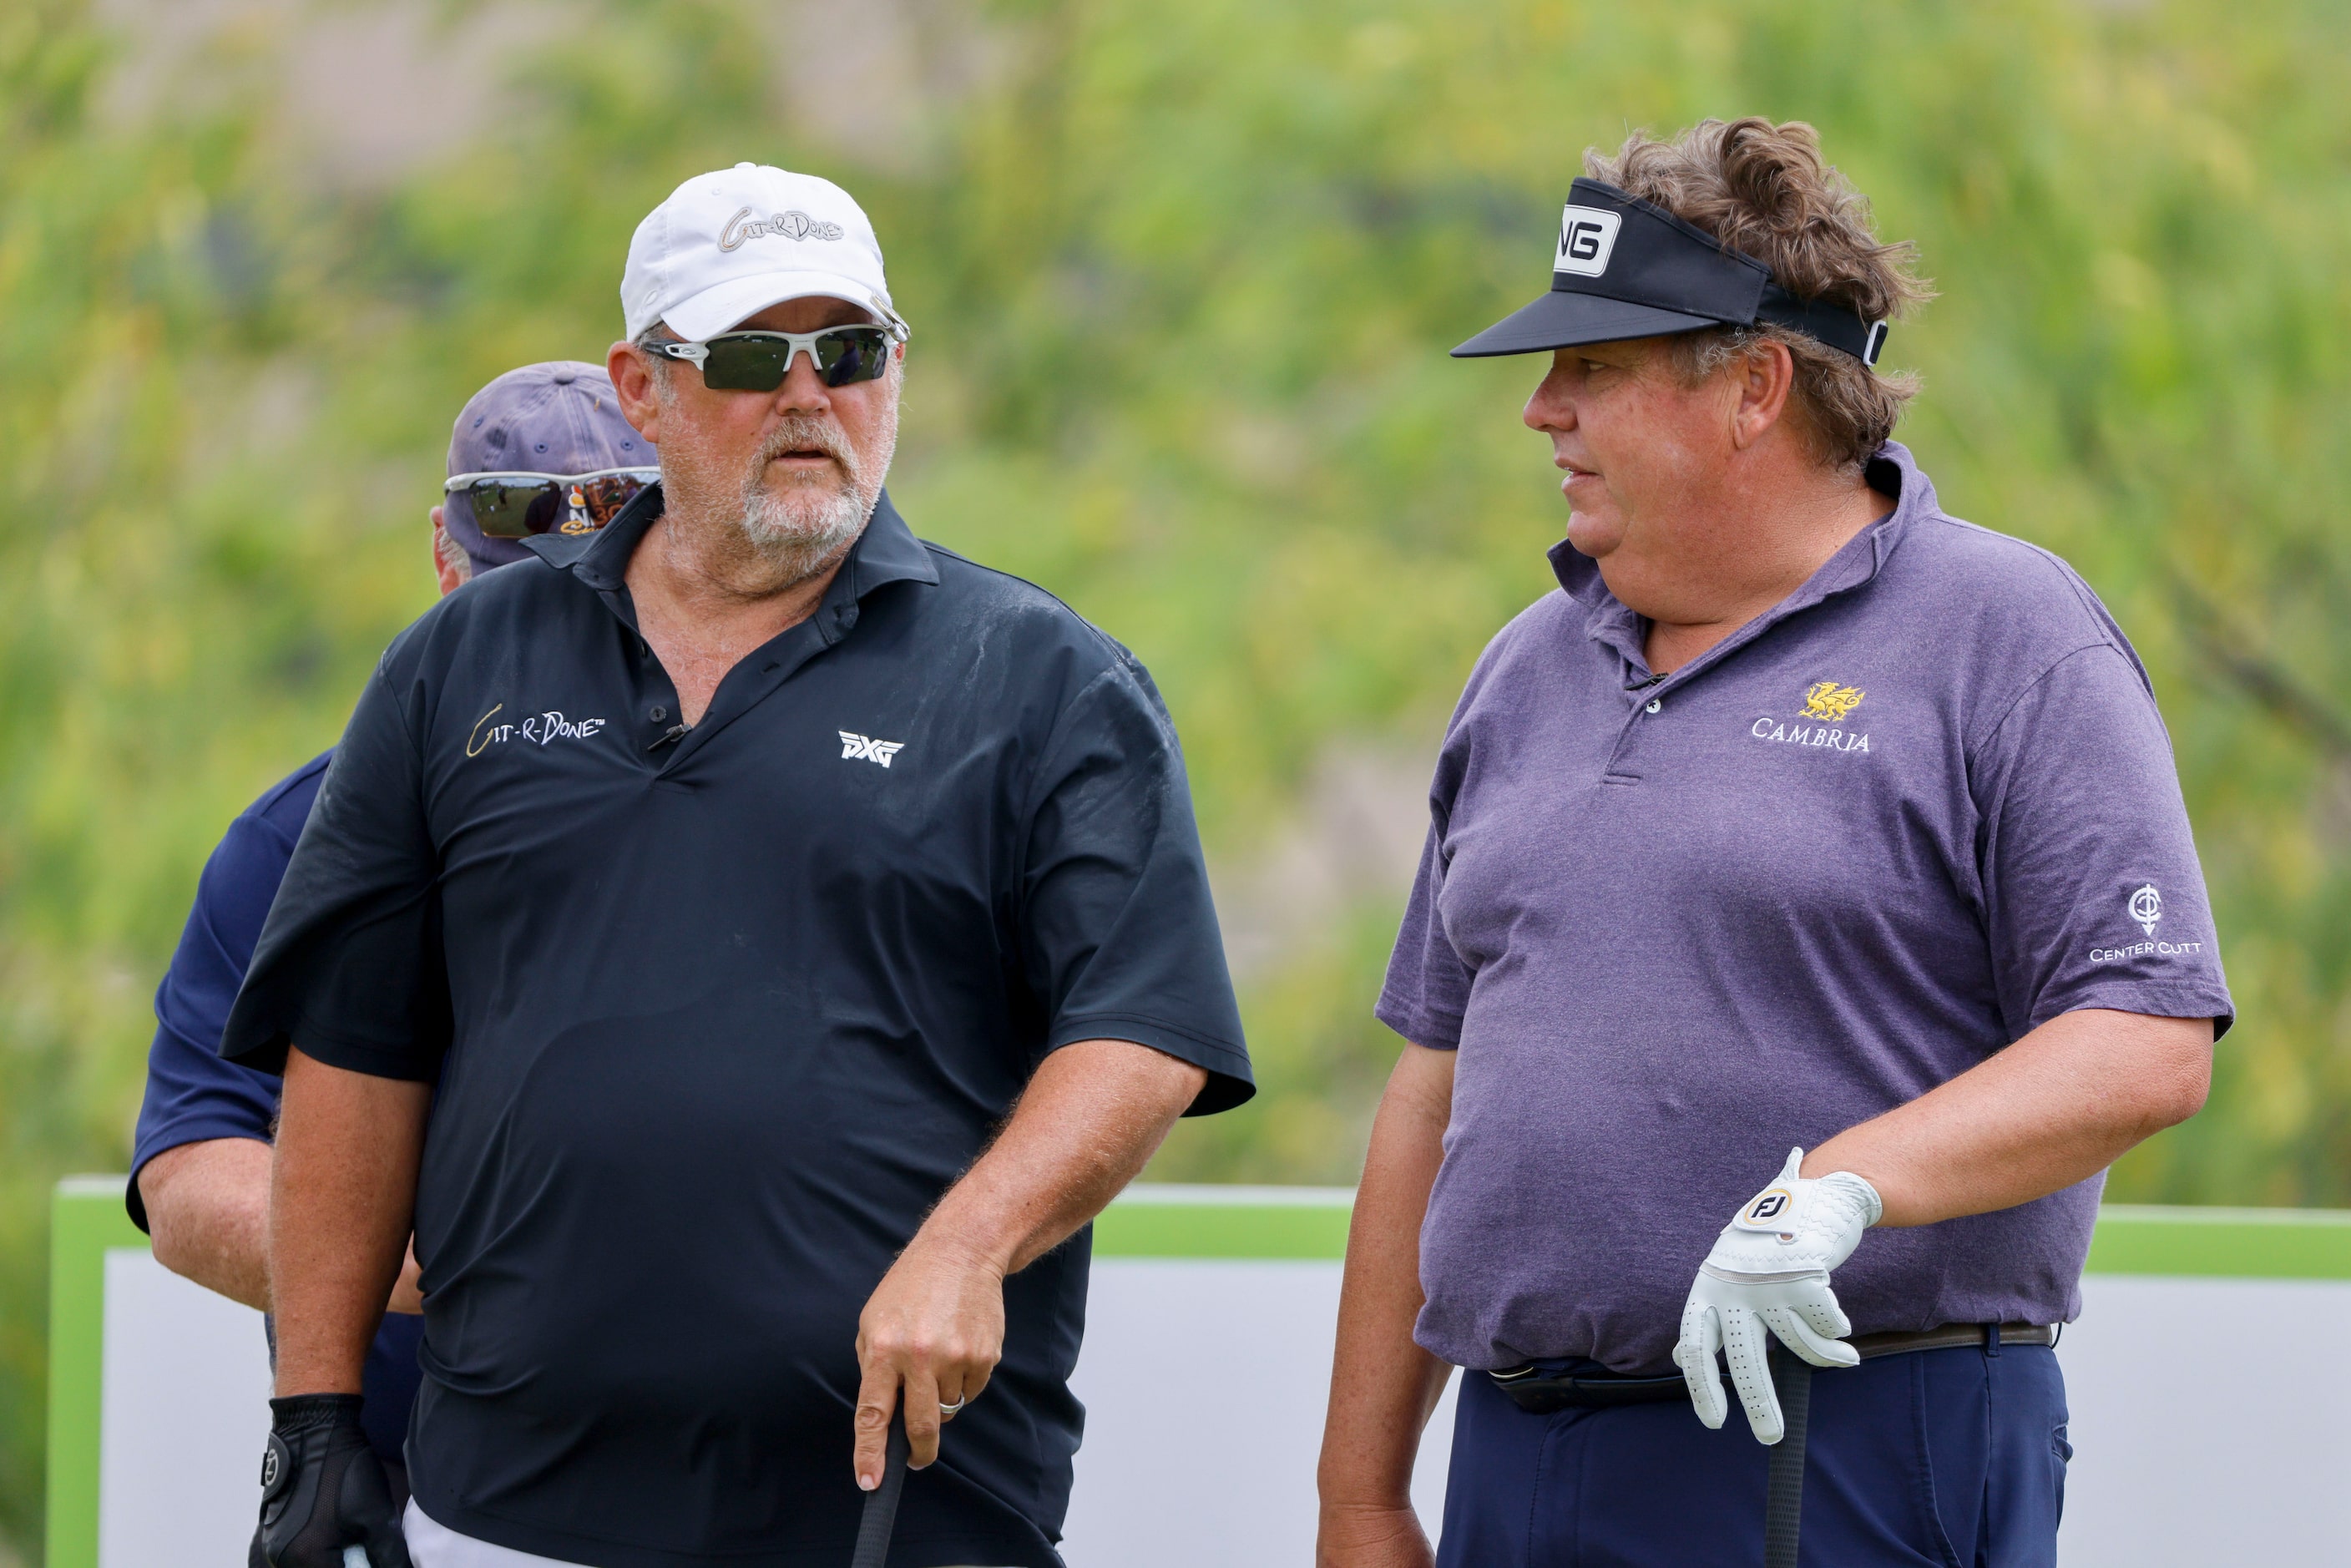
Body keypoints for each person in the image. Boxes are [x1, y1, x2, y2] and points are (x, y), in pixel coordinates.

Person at [223, 161, 1253, 1568]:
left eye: (849, 351)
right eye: (753, 354)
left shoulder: (1045, 679)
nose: (809, 394)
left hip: (897, 1514)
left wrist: (970, 1241)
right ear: (640, 389)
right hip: (509, 1510)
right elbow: (355, 1055)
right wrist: (315, 1416)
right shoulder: (459, 661)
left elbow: (1143, 1029)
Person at [1315, 119, 2231, 1568]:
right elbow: (1433, 1086)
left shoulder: (2010, 635)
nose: (1542, 411)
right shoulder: (1528, 664)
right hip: (1518, 1457)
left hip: (1849, 1435)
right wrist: (1359, 1494)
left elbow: (2148, 1033)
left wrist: (1845, 1187)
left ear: (1754, 386)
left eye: (1593, 371)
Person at [127, 362, 655, 1516]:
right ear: (441, 554)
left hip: (717, 1487)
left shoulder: (765, 803)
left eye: (590, 603)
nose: (547, 649)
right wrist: (467, 1271)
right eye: (515, 597)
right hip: (400, 1482)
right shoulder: (296, 841)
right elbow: (187, 1172)